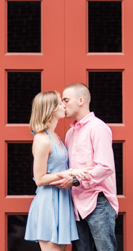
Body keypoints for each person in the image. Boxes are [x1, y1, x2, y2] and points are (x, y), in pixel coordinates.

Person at [56, 83, 118, 251]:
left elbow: (105, 167)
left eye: (66, 100)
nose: (62, 105)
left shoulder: (98, 128)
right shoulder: (70, 133)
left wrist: (75, 181)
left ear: (81, 100)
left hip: (98, 201)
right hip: (76, 202)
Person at [25, 91, 89, 250]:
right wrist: (69, 172)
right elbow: (39, 179)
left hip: (62, 201)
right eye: (60, 102)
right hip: (49, 202)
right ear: (51, 109)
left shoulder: (55, 136)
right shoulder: (42, 139)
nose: (64, 105)